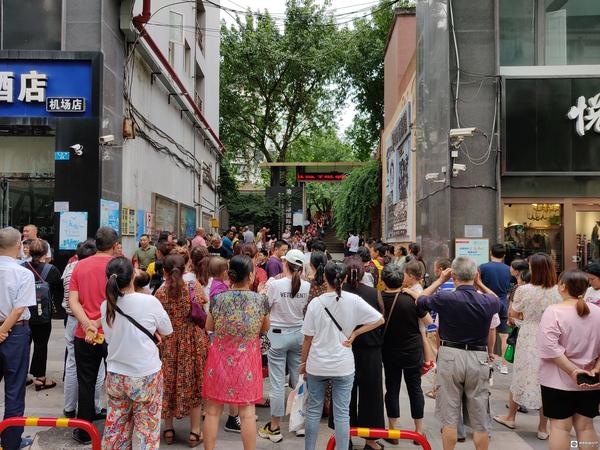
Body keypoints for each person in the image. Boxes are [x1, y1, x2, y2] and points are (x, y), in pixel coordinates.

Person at [416, 257, 500, 450]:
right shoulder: (487, 301)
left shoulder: (445, 298)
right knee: (480, 420)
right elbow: (497, 300)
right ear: (475, 275)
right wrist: (480, 284)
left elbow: (420, 301)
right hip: (478, 358)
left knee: (450, 417)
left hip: (450, 355)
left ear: (453, 275)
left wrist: (440, 280)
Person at [300, 261, 384, 450]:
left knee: (313, 411)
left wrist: (303, 362)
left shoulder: (316, 303)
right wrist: (355, 333)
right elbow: (380, 319)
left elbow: (307, 339)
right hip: (343, 364)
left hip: (317, 363)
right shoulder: (354, 300)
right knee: (342, 414)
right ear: (345, 278)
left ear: (325, 278)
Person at [100, 257, 173, 449]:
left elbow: (110, 338)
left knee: (116, 428)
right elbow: (167, 330)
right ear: (133, 275)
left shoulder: (106, 305)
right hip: (145, 374)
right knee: (146, 430)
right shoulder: (150, 302)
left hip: (116, 373)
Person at [203, 255, 270, 450]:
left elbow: (209, 326)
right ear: (250, 276)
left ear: (230, 275)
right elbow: (265, 328)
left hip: (220, 358)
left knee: (213, 411)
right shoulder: (260, 300)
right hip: (247, 360)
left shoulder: (218, 299)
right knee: (247, 412)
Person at [493, 252, 561, 440]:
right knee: (546, 380)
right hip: (551, 336)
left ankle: (511, 417)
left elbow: (513, 315)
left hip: (529, 334)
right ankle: (543, 427)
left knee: (520, 374)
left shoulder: (524, 290)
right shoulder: (558, 291)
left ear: (534, 269)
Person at [537, 269, 600, 450]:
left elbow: (549, 347)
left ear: (562, 286)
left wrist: (573, 371)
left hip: (557, 381)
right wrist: (597, 368)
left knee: (560, 427)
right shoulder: (597, 312)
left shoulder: (554, 311)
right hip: (591, 380)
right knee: (586, 426)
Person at [69, 226, 120, 444]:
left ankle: (84, 430)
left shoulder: (79, 265)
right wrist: (97, 323)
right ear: (115, 245)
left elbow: (72, 301)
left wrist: (87, 325)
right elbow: (118, 300)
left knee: (86, 382)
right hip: (112, 334)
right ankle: (116, 429)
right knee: (115, 381)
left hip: (84, 335)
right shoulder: (118, 266)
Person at [155, 254, 208, 447]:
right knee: (194, 384)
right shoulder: (194, 288)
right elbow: (203, 309)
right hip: (192, 342)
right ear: (185, 269)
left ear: (164, 272)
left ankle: (168, 430)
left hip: (168, 342)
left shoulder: (160, 293)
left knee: (168, 384)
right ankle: (194, 432)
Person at [259, 249, 310, 443]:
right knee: (298, 380)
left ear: (286, 264)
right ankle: (299, 424)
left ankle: (274, 427)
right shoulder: (306, 286)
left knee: (277, 383)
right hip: (298, 334)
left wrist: (262, 291)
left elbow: (265, 308)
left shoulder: (275, 284)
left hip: (278, 336)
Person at [381, 263, 431, 442]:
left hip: (390, 352)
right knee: (415, 389)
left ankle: (393, 431)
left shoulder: (379, 299)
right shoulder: (411, 299)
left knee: (392, 389)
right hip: (412, 352)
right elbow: (429, 321)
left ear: (383, 281)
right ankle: (418, 432)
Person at [342, 257, 385, 450]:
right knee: (372, 395)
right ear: (362, 273)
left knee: (344, 394)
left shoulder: (338, 293)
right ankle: (370, 441)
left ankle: (345, 438)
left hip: (344, 349)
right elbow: (381, 320)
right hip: (370, 350)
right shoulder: (374, 293)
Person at [0, 227, 36, 450]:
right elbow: (18, 309)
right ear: (18, 245)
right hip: (15, 332)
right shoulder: (23, 273)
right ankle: (11, 442)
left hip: (6, 331)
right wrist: (3, 330)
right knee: (14, 389)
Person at [63, 239, 105, 418]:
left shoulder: (71, 268)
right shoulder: (109, 267)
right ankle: (96, 408)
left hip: (76, 322)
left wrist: (87, 324)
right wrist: (93, 324)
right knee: (99, 371)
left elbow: (71, 300)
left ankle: (72, 409)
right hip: (100, 325)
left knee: (76, 368)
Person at [22, 239, 63, 391]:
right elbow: (58, 290)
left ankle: (23, 376)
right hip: (43, 315)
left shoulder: (22, 268)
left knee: (24, 345)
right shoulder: (51, 270)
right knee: (41, 345)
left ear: (29, 251)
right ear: (46, 252)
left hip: (23, 314)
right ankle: (40, 379)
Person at [479, 243, 512, 374]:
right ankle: (504, 365)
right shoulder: (508, 269)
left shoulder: (483, 267)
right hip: (503, 302)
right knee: (504, 336)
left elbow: (478, 284)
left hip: (487, 301)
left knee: (487, 330)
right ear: (504, 255)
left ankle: (488, 360)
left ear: (490, 253)